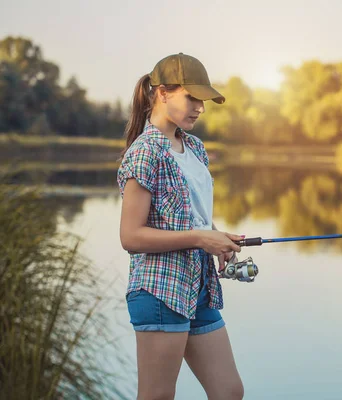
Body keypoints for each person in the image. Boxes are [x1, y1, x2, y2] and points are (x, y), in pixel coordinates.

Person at [117, 53, 245, 400]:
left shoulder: (196, 149)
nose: (200, 108)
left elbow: (195, 216)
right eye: (192, 98)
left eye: (202, 101)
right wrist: (201, 238)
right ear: (162, 93)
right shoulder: (145, 152)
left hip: (199, 287)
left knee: (229, 391)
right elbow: (130, 236)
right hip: (160, 291)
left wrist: (218, 238)